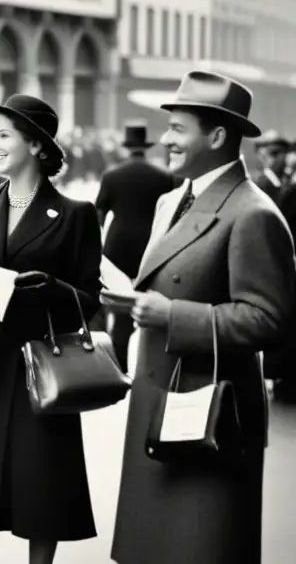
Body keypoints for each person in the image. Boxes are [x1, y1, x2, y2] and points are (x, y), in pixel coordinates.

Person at [107, 71, 295, 564]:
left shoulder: (254, 213)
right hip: (161, 400)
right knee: (154, 545)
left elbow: (269, 319)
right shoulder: (170, 199)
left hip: (211, 416)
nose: (165, 138)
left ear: (216, 137)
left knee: (199, 547)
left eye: (178, 128)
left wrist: (174, 315)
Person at [0, 94, 102, 564]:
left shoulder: (75, 214)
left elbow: (88, 302)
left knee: (41, 484)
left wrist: (50, 288)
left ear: (35, 144)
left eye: (4, 135)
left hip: (42, 367)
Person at [93, 121, 178, 370]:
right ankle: (153, 365)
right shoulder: (164, 177)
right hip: (151, 245)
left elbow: (99, 213)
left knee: (120, 306)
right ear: (146, 147)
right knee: (150, 303)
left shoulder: (112, 175)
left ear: (127, 147)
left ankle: (119, 366)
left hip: (118, 246)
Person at [252, 129, 289, 202]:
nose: (281, 158)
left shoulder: (288, 182)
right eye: (274, 153)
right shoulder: (256, 185)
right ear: (260, 154)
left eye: (284, 153)